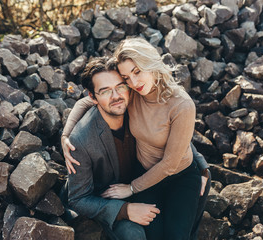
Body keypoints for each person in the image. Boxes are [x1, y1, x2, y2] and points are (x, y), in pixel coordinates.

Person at [62, 38, 210, 240]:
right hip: (132, 184)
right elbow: (86, 101)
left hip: (171, 176)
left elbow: (169, 147)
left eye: (136, 72)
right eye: (126, 78)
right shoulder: (129, 94)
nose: (132, 82)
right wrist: (65, 136)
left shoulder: (162, 99)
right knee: (146, 235)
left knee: (178, 233)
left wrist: (201, 165)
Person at [64, 57, 160, 240]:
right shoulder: (80, 140)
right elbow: (77, 199)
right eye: (105, 91)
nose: (116, 96)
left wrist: (199, 165)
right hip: (106, 201)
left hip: (143, 185)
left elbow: (173, 128)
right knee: (133, 235)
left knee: (197, 183)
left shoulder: (139, 106)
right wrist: (125, 210)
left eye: (120, 86)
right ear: (92, 97)